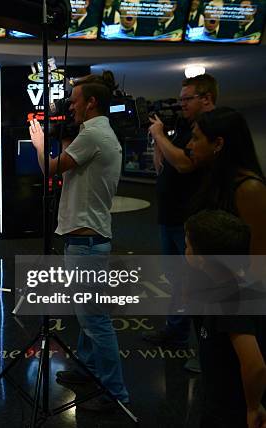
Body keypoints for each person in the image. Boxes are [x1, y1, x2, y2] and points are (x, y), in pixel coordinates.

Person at [29, 73, 130, 411]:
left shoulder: (93, 134)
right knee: (88, 316)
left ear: (91, 103)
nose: (68, 106)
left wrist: (41, 145)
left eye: (74, 100)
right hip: (88, 240)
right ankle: (88, 370)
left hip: (86, 245)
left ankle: (116, 395)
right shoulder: (99, 133)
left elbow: (51, 168)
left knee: (94, 321)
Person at [143, 74, 218, 356]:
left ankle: (206, 347)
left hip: (190, 218)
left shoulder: (210, 128)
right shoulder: (188, 129)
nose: (182, 104)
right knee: (177, 280)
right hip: (171, 216)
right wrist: (158, 141)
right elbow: (165, 165)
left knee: (197, 283)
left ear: (206, 98)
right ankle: (176, 333)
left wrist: (161, 136)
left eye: (187, 98)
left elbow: (186, 164)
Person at [184, 209, 266, 428]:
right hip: (222, 397)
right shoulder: (240, 282)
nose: (185, 251)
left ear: (202, 259)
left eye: (188, 246)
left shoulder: (229, 300)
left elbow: (255, 364)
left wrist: (252, 407)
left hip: (230, 409)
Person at [186, 107, 266, 259]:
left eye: (195, 138)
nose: (189, 145)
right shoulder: (214, 178)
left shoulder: (250, 189)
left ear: (218, 144)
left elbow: (259, 257)